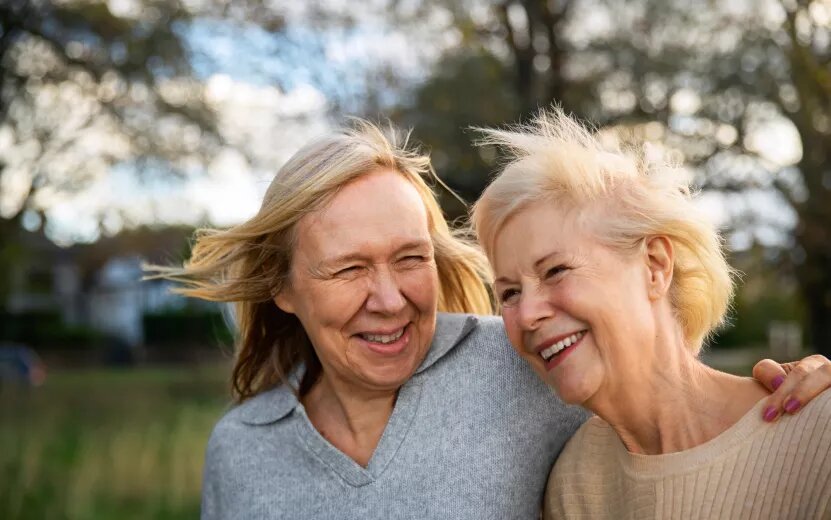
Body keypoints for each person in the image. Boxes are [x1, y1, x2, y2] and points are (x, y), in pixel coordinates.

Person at [151, 120, 831, 519]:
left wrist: (803, 393)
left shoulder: (517, 361)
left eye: (409, 258)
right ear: (284, 287)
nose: (388, 299)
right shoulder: (240, 452)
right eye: (349, 268)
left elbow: (651, 382)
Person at [472, 108, 831, 519]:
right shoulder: (574, 485)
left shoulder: (818, 435)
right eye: (510, 293)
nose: (528, 313)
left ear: (655, 266)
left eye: (556, 271)